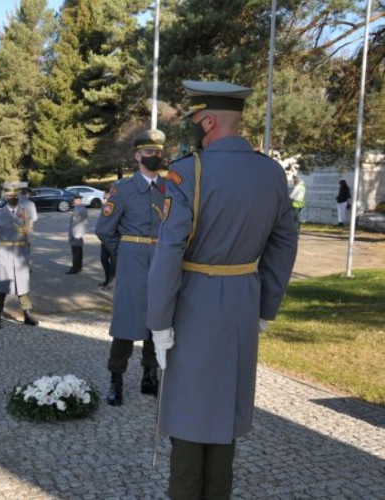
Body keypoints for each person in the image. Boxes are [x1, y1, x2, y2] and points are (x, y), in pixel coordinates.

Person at [147, 81, 298, 499]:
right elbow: (285, 242)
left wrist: (159, 321)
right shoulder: (270, 172)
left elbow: (170, 250)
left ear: (208, 120)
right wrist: (267, 305)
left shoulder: (189, 171)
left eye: (195, 121)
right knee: (224, 415)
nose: (194, 128)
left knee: (190, 412)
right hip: (243, 301)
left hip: (194, 302)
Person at [95, 129, 167, 407]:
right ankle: (116, 379)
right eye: (149, 152)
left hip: (161, 261)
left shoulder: (168, 189)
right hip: (132, 261)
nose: (155, 156)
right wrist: (124, 253)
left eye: (158, 152)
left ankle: (150, 375)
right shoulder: (122, 190)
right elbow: (104, 229)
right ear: (137, 155)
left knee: (157, 320)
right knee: (126, 322)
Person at [0, 184, 38, 329]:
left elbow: (29, 233)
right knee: (1, 286)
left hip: (21, 253)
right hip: (4, 253)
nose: (13, 198)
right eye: (10, 196)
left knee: (23, 286)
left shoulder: (25, 213)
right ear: (5, 197)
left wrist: (25, 248)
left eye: (15, 195)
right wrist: (1, 247)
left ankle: (27, 315)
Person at [66, 194, 87, 274]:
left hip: (76, 233)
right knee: (79, 251)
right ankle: (79, 266)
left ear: (78, 200)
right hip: (80, 232)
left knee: (75, 252)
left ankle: (75, 268)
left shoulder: (77, 210)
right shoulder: (82, 208)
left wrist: (71, 235)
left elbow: (74, 224)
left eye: (74, 200)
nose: (73, 201)